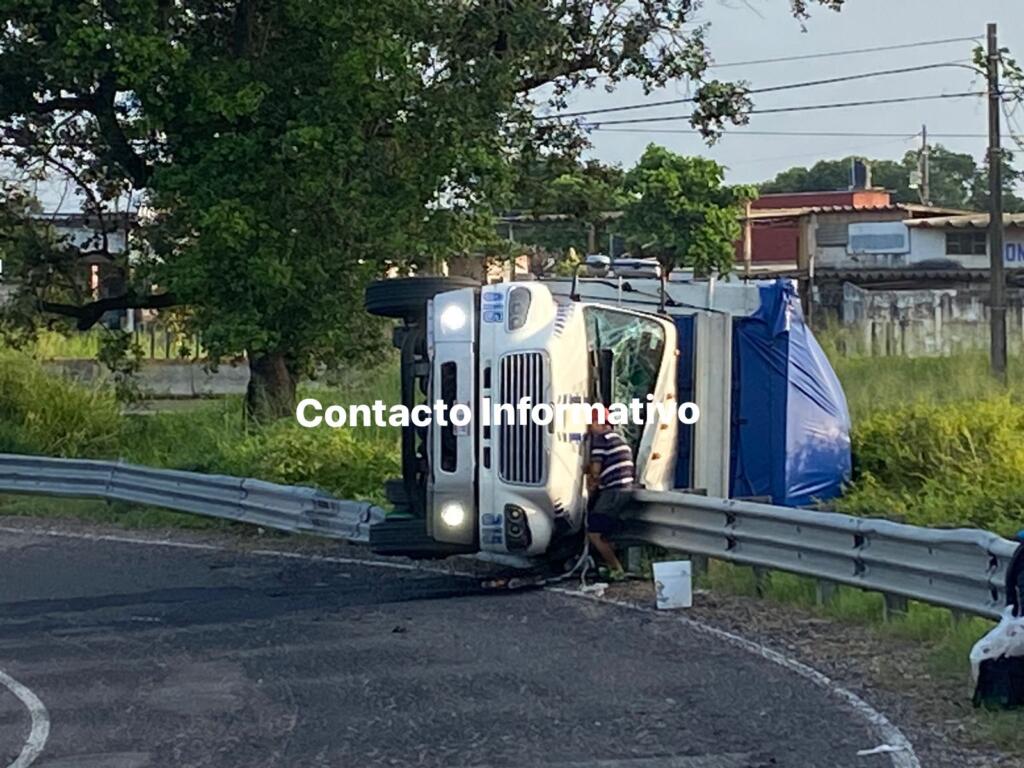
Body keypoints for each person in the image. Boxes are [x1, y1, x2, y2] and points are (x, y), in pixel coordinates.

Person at [585, 405, 635, 579]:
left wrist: (589, 482)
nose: (589, 429)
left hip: (613, 491)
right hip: (625, 488)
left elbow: (595, 471)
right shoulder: (618, 438)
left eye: (590, 424)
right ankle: (608, 564)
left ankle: (617, 569)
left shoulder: (601, 439)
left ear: (597, 422)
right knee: (606, 531)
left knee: (594, 532)